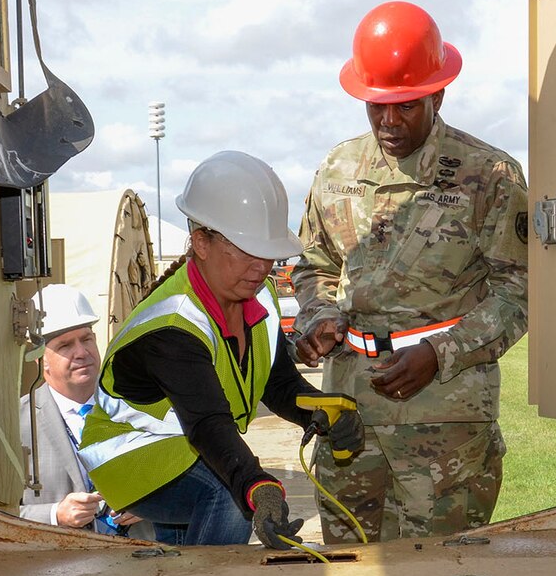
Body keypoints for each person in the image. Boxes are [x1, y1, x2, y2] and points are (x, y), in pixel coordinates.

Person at [292, 1, 529, 543]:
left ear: (438, 95)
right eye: (377, 107)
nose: (389, 122)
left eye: (406, 106)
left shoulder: (488, 175)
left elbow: (519, 292)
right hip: (351, 408)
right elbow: (315, 265)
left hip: (443, 415)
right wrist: (320, 318)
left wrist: (439, 354)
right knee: (349, 574)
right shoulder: (338, 168)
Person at [78, 151, 364, 548]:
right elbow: (209, 425)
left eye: (267, 252)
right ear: (201, 243)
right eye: (246, 250)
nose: (262, 266)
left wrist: (322, 410)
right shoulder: (171, 326)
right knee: (228, 497)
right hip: (129, 456)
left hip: (184, 451)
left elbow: (278, 384)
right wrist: (257, 486)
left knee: (185, 550)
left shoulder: (258, 296)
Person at [19, 283, 152, 540]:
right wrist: (54, 515)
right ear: (39, 358)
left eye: (87, 339)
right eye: (65, 345)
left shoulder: (141, 407)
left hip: (144, 563)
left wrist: (153, 502)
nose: (82, 352)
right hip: (62, 569)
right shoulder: (17, 424)